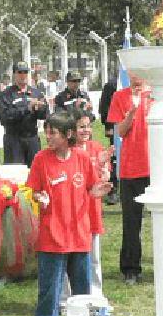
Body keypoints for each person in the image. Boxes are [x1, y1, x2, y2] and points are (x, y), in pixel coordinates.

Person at [28, 112, 113, 316]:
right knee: (49, 289)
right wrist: (39, 197)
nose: (48, 137)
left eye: (52, 133)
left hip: (79, 236)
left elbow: (91, 187)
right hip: (52, 238)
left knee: (81, 289)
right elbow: (33, 190)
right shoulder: (40, 160)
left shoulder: (83, 159)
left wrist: (99, 190)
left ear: (68, 135)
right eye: (46, 132)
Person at [106, 73, 154, 284]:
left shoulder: (158, 94)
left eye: (141, 71)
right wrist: (131, 113)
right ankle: (131, 269)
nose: (137, 76)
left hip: (156, 167)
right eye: (133, 71)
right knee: (131, 221)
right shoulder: (120, 96)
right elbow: (121, 132)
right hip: (131, 168)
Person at [62, 109, 111, 299]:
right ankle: (67, 296)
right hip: (70, 212)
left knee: (94, 257)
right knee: (68, 256)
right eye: (81, 127)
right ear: (71, 130)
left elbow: (104, 177)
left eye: (88, 126)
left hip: (91, 211)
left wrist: (103, 169)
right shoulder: (66, 151)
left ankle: (96, 294)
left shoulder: (97, 148)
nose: (86, 130)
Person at [0, 61, 50, 165]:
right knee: (15, 175)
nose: (23, 75)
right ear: (14, 74)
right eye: (20, 72)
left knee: (35, 172)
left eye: (25, 72)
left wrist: (40, 108)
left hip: (32, 138)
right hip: (14, 140)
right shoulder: (6, 94)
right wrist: (27, 108)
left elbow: (45, 115)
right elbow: (4, 118)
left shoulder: (36, 93)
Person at [98, 77, 120, 205]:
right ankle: (113, 190)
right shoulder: (113, 84)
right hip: (116, 127)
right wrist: (108, 126)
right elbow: (105, 105)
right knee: (115, 159)